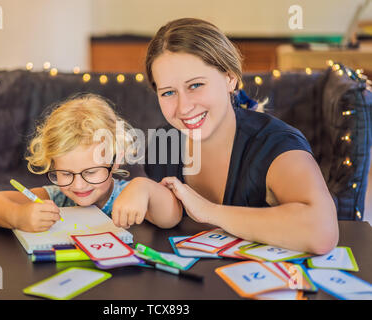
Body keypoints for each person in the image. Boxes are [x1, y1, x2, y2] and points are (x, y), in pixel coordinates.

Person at [116, 18, 338, 254]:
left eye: (195, 85)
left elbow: (322, 232)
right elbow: (167, 218)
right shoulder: (164, 140)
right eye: (168, 92)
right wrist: (139, 188)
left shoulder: (276, 143)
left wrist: (209, 211)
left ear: (230, 78)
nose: (183, 108)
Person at [0, 93, 178, 232]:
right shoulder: (56, 198)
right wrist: (18, 216)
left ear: (116, 160)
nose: (78, 185)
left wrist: (143, 188)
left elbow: (172, 217)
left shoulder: (129, 197)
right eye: (66, 173)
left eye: (90, 172)